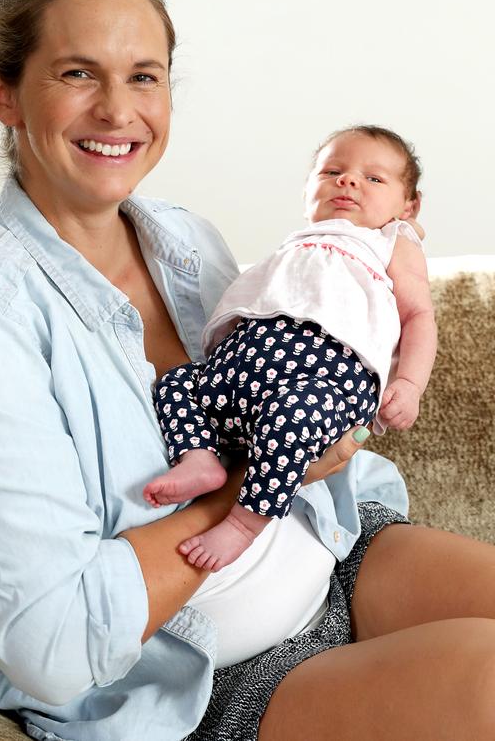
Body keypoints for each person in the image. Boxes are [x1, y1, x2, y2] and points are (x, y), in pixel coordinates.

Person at [0, 0, 495, 741]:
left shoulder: (185, 241)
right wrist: (254, 480)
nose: (119, 112)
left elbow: (298, 381)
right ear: (3, 93)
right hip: (194, 671)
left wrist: (349, 410)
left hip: (327, 550)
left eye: (144, 76)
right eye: (78, 73)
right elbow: (48, 644)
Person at [143, 125, 437, 571]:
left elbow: (418, 316)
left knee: (291, 419)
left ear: (408, 205)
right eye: (332, 171)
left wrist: (411, 384)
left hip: (327, 380)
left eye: (374, 179)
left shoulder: (389, 241)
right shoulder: (298, 242)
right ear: (306, 191)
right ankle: (199, 457)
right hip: (243, 365)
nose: (349, 181)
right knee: (179, 384)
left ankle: (244, 523)